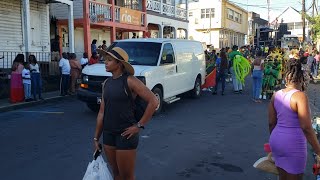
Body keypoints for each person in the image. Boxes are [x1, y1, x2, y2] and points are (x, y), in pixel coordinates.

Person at [93, 47, 158, 180]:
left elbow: (153, 101)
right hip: (108, 134)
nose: (105, 62)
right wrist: (96, 138)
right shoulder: (106, 83)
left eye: (109, 60)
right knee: (116, 174)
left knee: (127, 177)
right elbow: (101, 113)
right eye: (105, 59)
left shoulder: (130, 81)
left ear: (119, 64)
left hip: (125, 134)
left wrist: (139, 125)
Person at [268, 58, 320, 180]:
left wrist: (276, 139)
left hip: (276, 140)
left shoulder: (276, 95)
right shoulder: (300, 96)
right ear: (301, 78)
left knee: (282, 177)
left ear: (286, 77)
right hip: (293, 144)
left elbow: (271, 123)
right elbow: (306, 127)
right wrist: (318, 151)